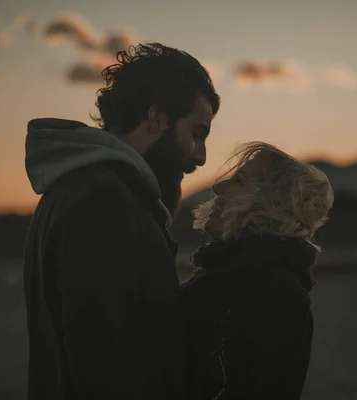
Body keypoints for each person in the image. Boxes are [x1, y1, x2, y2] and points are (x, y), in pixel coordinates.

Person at [23, 42, 220, 400]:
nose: (202, 157)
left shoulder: (75, 190)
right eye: (197, 133)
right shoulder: (104, 203)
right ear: (158, 117)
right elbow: (105, 367)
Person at [180, 142, 334, 400]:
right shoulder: (231, 276)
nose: (218, 187)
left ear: (273, 204)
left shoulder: (275, 296)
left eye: (239, 181)